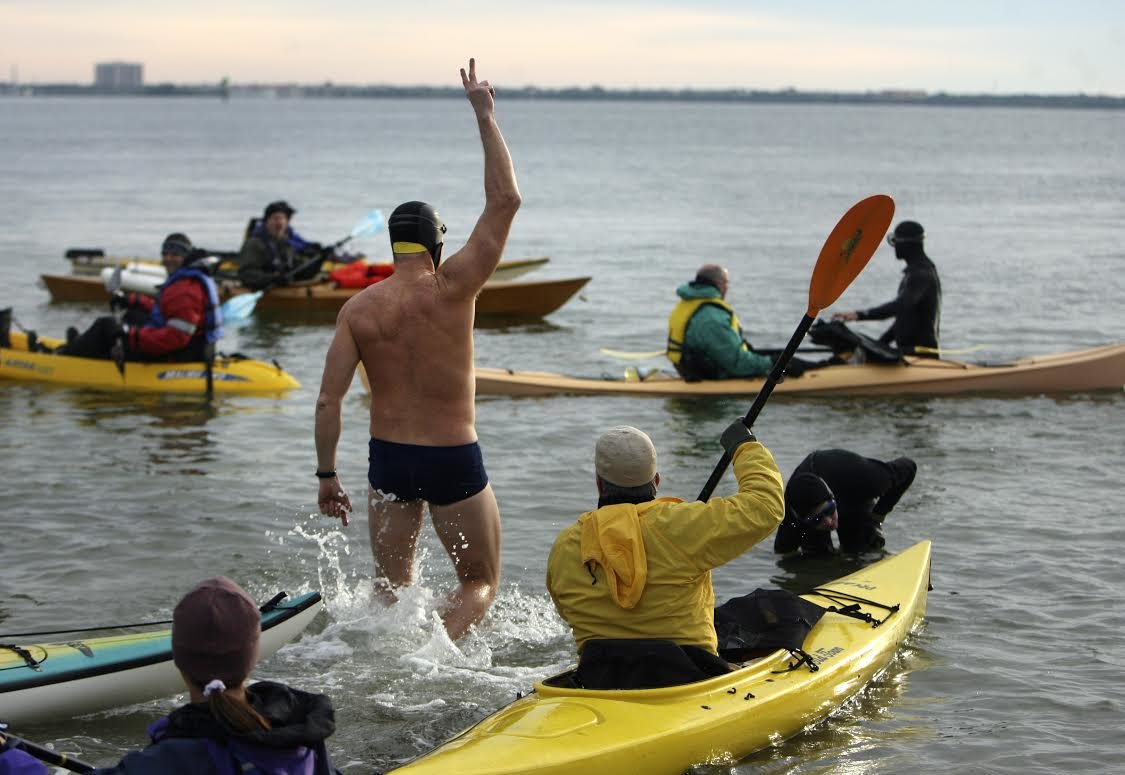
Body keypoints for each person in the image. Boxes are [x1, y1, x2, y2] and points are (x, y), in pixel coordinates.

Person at [313, 58, 521, 641]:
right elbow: (505, 202)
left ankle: (389, 655)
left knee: (389, 591)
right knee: (478, 583)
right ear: (436, 244)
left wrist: (327, 475)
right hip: (452, 457)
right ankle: (431, 654)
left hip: (389, 462)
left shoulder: (357, 310)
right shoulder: (454, 287)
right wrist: (484, 113)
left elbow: (328, 403)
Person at [0, 577, 341, 775]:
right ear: (252, 658)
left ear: (178, 660)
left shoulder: (170, 760)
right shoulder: (302, 732)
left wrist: (8, 753)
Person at [546, 423, 784, 684]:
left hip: (599, 679)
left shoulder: (565, 545)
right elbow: (766, 506)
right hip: (689, 679)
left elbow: (567, 610)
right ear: (656, 481)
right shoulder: (682, 525)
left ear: (599, 485)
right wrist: (745, 448)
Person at [59, 233, 223, 362]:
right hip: (192, 347)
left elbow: (176, 338)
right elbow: (164, 312)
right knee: (132, 315)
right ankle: (83, 346)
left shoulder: (186, 289)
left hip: (182, 354)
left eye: (175, 254)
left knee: (105, 325)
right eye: (165, 254)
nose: (168, 259)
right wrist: (132, 300)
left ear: (186, 257)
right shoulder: (185, 279)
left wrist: (129, 334)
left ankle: (69, 356)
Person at [666, 264, 812, 380]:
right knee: (786, 362)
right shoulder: (712, 317)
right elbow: (738, 365)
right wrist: (773, 362)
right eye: (727, 282)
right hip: (709, 375)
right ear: (719, 283)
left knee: (781, 355)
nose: (727, 287)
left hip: (687, 368)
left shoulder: (688, 302)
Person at [774, 449, 918, 557]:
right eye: (818, 518)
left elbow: (909, 466)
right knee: (817, 559)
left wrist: (878, 515)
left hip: (851, 489)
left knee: (861, 551)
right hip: (810, 517)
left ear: (832, 498)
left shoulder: (868, 478)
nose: (829, 522)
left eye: (829, 511)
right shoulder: (791, 516)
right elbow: (783, 553)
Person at [831, 219, 942, 358]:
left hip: (921, 356)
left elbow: (900, 305)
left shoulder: (921, 274)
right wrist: (880, 344)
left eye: (895, 241)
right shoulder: (917, 272)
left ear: (907, 244)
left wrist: (860, 314)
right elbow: (904, 319)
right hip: (907, 353)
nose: (894, 246)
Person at [236, 201, 328, 291]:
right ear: (266, 221)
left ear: (287, 223)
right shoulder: (254, 244)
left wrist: (319, 260)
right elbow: (246, 275)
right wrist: (273, 279)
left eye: (282, 219)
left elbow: (299, 272)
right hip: (264, 290)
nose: (279, 223)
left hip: (282, 289)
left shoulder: (286, 245)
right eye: (275, 218)